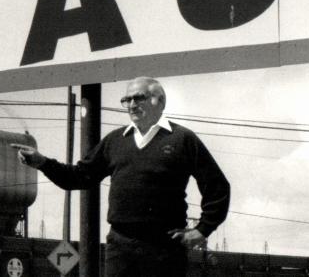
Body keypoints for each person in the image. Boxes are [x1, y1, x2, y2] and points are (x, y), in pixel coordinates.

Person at [13, 76, 230, 277]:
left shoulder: (182, 139)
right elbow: (78, 177)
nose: (132, 105)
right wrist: (42, 163)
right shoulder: (115, 141)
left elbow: (217, 186)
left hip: (164, 248)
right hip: (120, 247)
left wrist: (203, 230)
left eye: (138, 98)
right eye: (127, 100)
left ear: (160, 101)